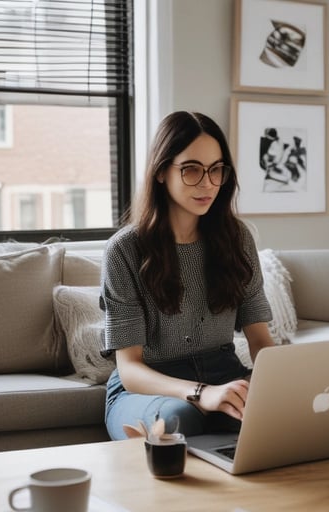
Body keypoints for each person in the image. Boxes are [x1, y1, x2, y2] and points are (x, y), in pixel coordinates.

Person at [100, 111, 275, 440]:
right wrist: (201, 393)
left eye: (216, 170)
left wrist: (290, 382)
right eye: (191, 169)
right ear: (162, 172)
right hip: (148, 387)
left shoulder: (237, 239)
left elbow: (260, 340)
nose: (208, 183)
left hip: (224, 374)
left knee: (283, 414)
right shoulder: (124, 250)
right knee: (177, 419)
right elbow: (130, 369)